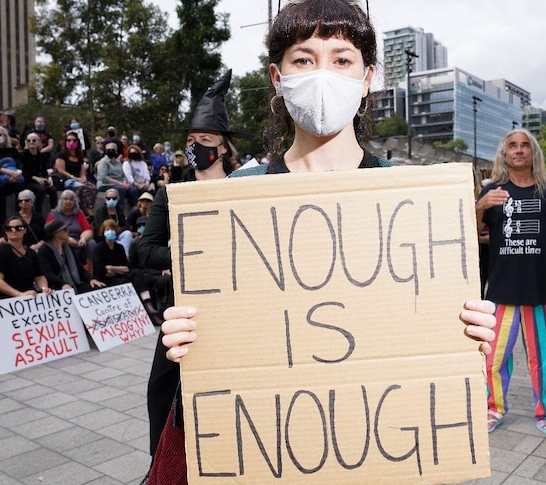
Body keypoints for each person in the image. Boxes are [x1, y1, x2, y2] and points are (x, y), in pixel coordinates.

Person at [150, 2, 498, 482]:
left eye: (341, 59)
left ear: (367, 75)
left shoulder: (414, 200)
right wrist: (187, 337)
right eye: (303, 59)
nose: (321, 74)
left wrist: (465, 330)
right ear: (276, 76)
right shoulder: (231, 201)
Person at [138, 69, 240, 464]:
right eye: (191, 141)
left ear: (223, 147)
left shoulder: (245, 187)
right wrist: (192, 257)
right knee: (162, 391)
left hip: (233, 310)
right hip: (182, 312)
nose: (197, 147)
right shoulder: (171, 195)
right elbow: (146, 251)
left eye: (206, 140)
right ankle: (161, 468)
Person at [476, 128, 546, 443]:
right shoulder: (492, 191)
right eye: (512, 146)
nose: (518, 150)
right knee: (493, 358)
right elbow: (467, 231)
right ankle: (493, 410)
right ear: (504, 154)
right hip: (500, 293)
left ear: (533, 153)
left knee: (544, 359)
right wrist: (480, 206)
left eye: (525, 146)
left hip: (541, 292)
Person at [93, 219, 161, 325]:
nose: (110, 231)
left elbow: (127, 267)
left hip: (120, 275)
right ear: (103, 231)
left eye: (112, 229)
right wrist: (117, 268)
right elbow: (101, 269)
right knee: (124, 283)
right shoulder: (99, 248)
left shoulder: (119, 247)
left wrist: (111, 268)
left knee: (137, 273)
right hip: (107, 278)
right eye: (107, 229)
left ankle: (148, 304)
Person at [0, 216, 51, 298]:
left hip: (28, 295)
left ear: (25, 230)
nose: (14, 231)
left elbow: (39, 276)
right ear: (5, 231)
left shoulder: (31, 253)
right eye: (9, 228)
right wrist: (19, 294)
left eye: (19, 228)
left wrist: (44, 288)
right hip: (3, 298)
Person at [38, 219, 105, 293]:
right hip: (57, 287)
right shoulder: (44, 250)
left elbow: (79, 268)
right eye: (65, 230)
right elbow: (48, 273)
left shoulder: (67, 247)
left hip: (75, 283)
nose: (68, 231)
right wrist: (63, 284)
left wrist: (91, 279)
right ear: (56, 234)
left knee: (98, 288)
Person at [46, 190, 95, 269]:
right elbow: (49, 232)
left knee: (91, 243)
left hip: (78, 241)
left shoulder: (79, 213)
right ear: (61, 201)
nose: (68, 201)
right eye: (65, 199)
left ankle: (90, 271)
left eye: (71, 199)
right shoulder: (53, 214)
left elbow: (88, 230)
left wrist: (83, 239)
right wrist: (67, 239)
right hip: (61, 241)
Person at [0, 124, 23, 223]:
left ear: (5, 136)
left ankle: (19, 217)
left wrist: (15, 175)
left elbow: (19, 164)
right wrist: (8, 172)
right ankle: (0, 221)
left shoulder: (12, 150)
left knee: (20, 188)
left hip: (13, 177)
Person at [53, 133, 96, 217]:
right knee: (81, 188)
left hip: (78, 179)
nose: (71, 142)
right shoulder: (61, 155)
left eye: (74, 140)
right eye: (68, 140)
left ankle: (86, 208)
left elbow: (82, 171)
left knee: (92, 188)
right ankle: (86, 212)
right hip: (67, 179)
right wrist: (75, 178)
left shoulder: (79, 156)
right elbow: (61, 170)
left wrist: (83, 178)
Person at [19, 133, 58, 214]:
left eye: (34, 140)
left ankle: (55, 213)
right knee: (41, 190)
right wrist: (35, 178)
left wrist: (48, 177)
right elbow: (23, 172)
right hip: (29, 180)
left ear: (38, 142)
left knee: (53, 190)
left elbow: (44, 171)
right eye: (29, 140)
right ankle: (38, 213)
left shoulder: (42, 156)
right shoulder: (23, 155)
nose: (31, 142)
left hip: (41, 179)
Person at [93, 188, 133, 254]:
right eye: (108, 198)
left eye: (114, 198)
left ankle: (126, 256)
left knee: (128, 234)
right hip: (105, 237)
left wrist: (116, 231)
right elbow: (99, 228)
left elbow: (126, 226)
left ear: (117, 199)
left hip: (118, 235)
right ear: (105, 199)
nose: (111, 200)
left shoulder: (119, 210)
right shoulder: (100, 211)